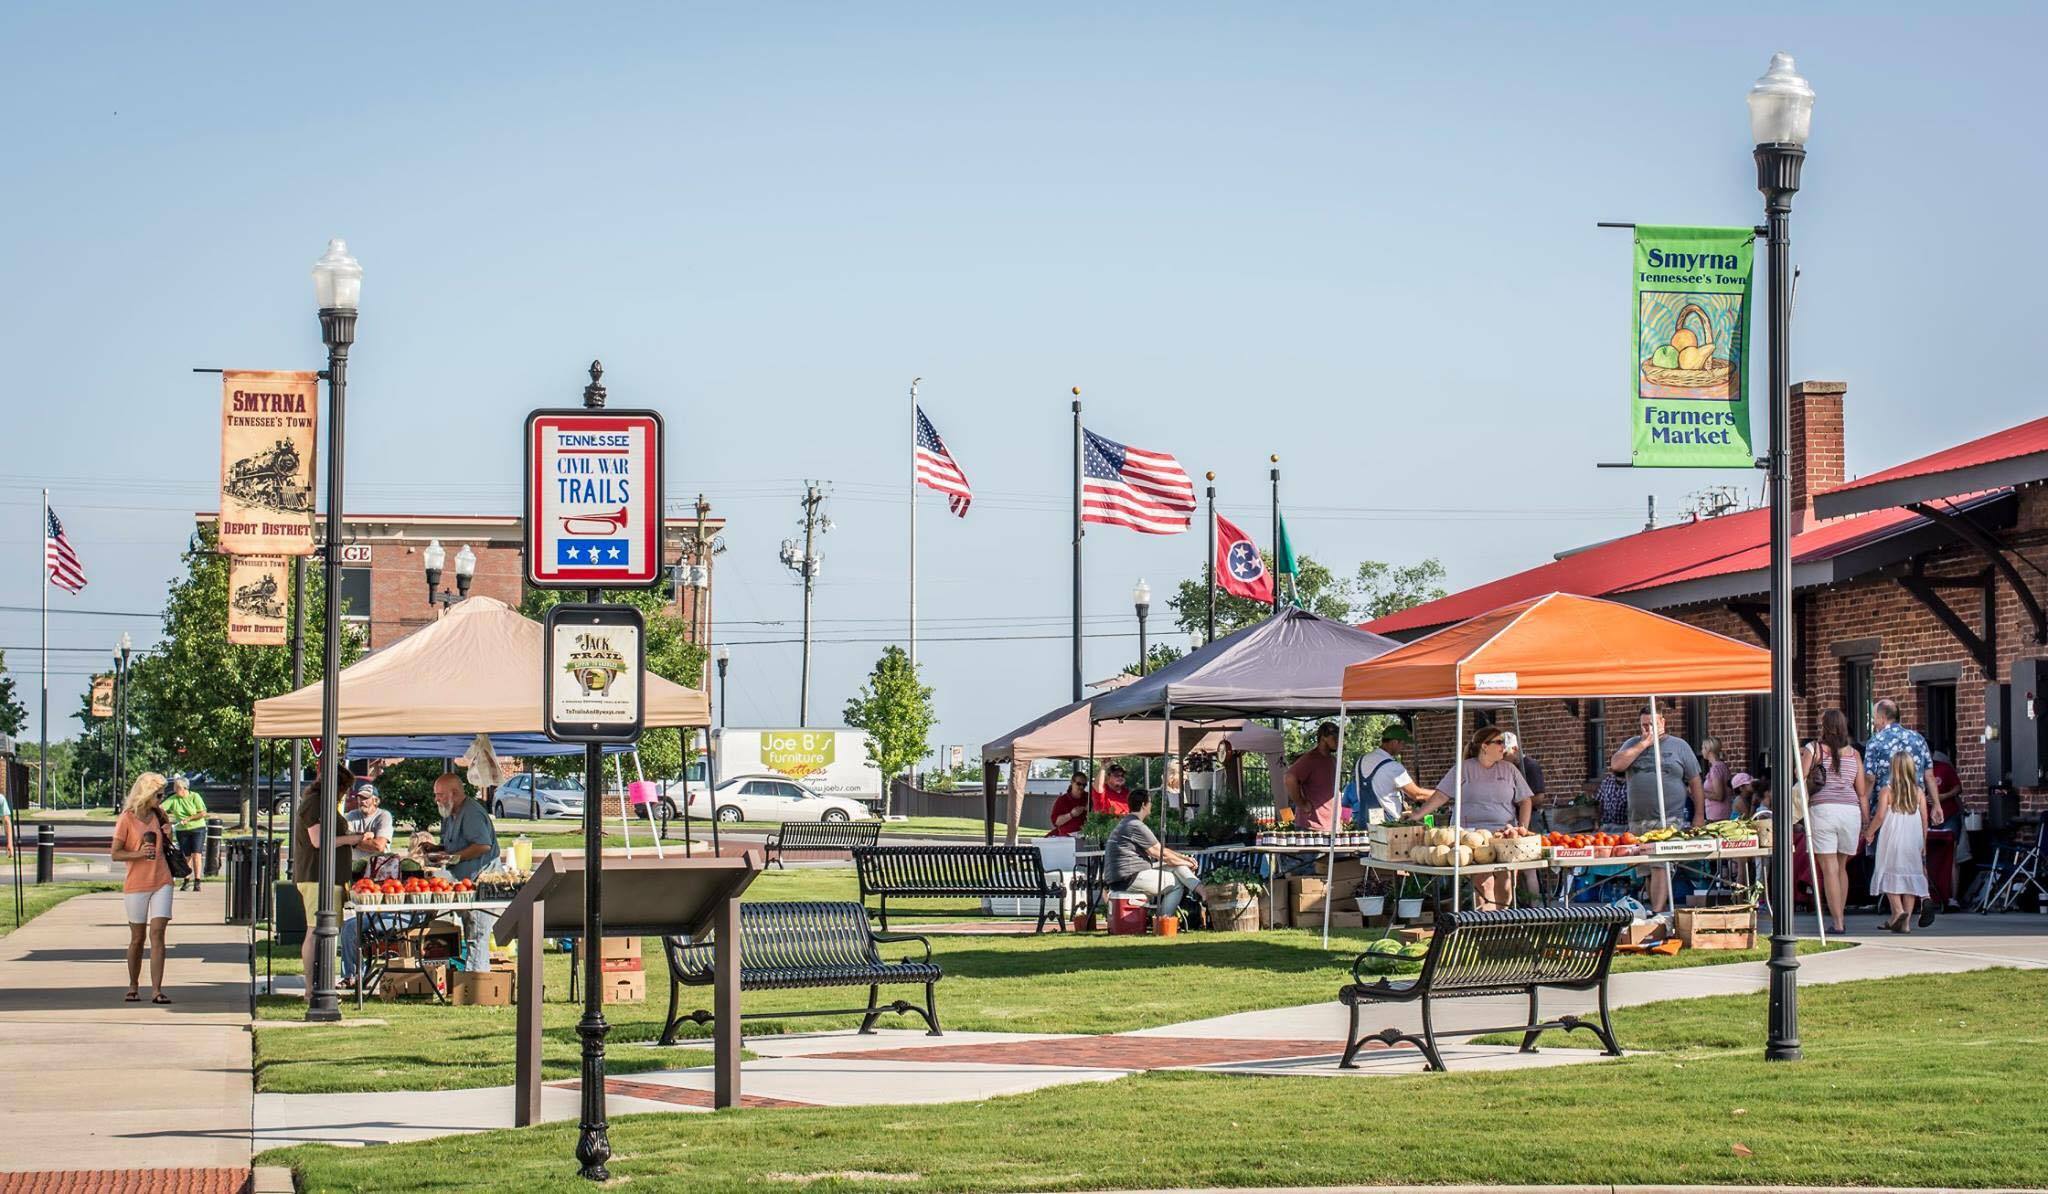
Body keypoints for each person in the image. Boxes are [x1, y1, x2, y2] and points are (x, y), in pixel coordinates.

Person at [1411, 725, 1532, 910]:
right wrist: (1418, 814)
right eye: (1499, 742)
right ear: (1484, 746)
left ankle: (1502, 924)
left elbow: (1525, 800)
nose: (1504, 746)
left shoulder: (1509, 769)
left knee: (1507, 882)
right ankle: (1485, 927)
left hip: (1504, 834)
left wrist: (1522, 828)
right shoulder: (1463, 769)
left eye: (1503, 742)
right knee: (1484, 882)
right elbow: (1441, 795)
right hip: (1470, 836)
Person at [1610, 709, 1704, 914]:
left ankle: (1657, 913)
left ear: (1663, 721)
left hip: (1669, 819)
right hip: (1638, 819)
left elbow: (1695, 782)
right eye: (1644, 725)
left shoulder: (1679, 746)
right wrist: (1644, 743)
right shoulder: (1632, 744)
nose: (1648, 728)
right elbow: (1616, 764)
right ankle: (1655, 914)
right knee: (1648, 870)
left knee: (1661, 865)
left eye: (1652, 723)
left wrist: (1699, 815)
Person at [292, 763, 364, 998]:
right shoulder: (315, 803)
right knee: (316, 931)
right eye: (344, 789)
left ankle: (321, 984)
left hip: (330, 877)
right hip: (317, 877)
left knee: (327, 930)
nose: (345, 794)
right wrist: (351, 839)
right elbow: (319, 840)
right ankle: (313, 988)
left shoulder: (324, 803)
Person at [416, 774, 500, 972]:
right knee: (471, 931)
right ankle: (471, 982)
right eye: (436, 795)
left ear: (454, 793)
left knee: (477, 934)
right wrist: (436, 848)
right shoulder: (451, 813)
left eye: (440, 795)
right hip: (464, 883)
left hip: (480, 882)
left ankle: (476, 983)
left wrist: (455, 858)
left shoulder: (471, 813)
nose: (437, 799)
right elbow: (454, 846)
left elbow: (483, 845)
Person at [1801, 709, 1871, 935]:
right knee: (1841, 867)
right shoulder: (1854, 755)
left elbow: (1799, 777)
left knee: (1829, 869)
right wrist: (1866, 820)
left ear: (1824, 726)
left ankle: (1838, 922)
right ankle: (1840, 918)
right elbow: (1861, 792)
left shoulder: (1815, 749)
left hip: (1823, 809)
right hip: (1850, 812)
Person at [109, 773, 176, 1004]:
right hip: (136, 883)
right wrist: (138, 854)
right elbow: (115, 853)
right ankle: (133, 985)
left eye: (163, 794)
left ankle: (157, 990)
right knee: (137, 937)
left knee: (157, 933)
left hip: (162, 880)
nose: (162, 798)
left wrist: (169, 833)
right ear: (147, 793)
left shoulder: (160, 814)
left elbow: (167, 844)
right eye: (158, 794)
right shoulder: (126, 819)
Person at [1103, 789, 1203, 920]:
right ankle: (1163, 920)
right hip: (1128, 877)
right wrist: (1187, 862)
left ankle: (1201, 891)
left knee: (1175, 867)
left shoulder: (1127, 823)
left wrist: (1183, 858)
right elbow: (1159, 853)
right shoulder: (1136, 825)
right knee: (1177, 883)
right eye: (1150, 802)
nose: (1151, 805)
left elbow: (1161, 849)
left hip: (1123, 876)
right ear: (1144, 804)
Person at [1865, 751, 1930, 933]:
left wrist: (1869, 832)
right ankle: (1906, 923)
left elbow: (1879, 816)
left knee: (1887, 871)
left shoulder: (1887, 791)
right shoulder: (1918, 793)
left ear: (1894, 769)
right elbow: (1925, 820)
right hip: (1913, 839)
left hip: (1892, 839)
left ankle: (1898, 910)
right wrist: (1923, 842)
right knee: (1909, 877)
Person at [1863, 699, 1936, 815]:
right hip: (1914, 807)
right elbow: (1930, 776)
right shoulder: (1918, 739)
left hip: (1884, 809)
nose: (1873, 722)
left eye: (1874, 718)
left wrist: (1864, 805)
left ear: (1882, 718)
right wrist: (1936, 805)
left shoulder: (1875, 742)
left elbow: (1870, 778)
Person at [1351, 724, 1434, 821]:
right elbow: (1417, 794)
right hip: (1387, 823)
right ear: (1394, 742)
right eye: (1402, 744)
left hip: (1365, 821)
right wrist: (1443, 794)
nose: (1403, 748)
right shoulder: (1393, 767)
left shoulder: (1361, 760)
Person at [1923, 751, 1964, 924]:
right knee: (1923, 856)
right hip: (1924, 816)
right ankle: (1926, 897)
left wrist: (1941, 797)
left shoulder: (1944, 768)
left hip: (1948, 816)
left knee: (1951, 855)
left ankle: (1952, 898)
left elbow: (1958, 788)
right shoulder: (1916, 771)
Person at [1284, 722, 1341, 833]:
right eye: (1335, 737)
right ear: (1324, 737)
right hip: (1311, 828)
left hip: (1331, 826)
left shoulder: (1332, 760)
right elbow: (1289, 778)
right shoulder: (1310, 759)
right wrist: (1301, 803)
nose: (1338, 740)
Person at [162, 776, 209, 893]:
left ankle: (197, 881)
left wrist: (189, 818)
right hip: (182, 830)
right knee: (185, 855)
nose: (174, 789)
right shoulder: (173, 799)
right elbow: (161, 808)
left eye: (176, 787)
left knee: (196, 854)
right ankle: (186, 880)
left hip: (198, 828)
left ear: (183, 788)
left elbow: (203, 812)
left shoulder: (194, 797)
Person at [1698, 737, 1733, 823]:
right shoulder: (1722, 766)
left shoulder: (1715, 769)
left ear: (1708, 750)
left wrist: (1700, 792)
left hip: (1717, 815)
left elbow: (1719, 796)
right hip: (1724, 812)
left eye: (1703, 748)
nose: (1701, 751)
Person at [1046, 772, 1090, 838]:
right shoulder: (1062, 800)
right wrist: (1071, 814)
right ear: (1072, 782)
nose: (1081, 787)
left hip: (1086, 836)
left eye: (1084, 785)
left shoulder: (1089, 798)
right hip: (1066, 837)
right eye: (1079, 784)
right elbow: (1056, 822)